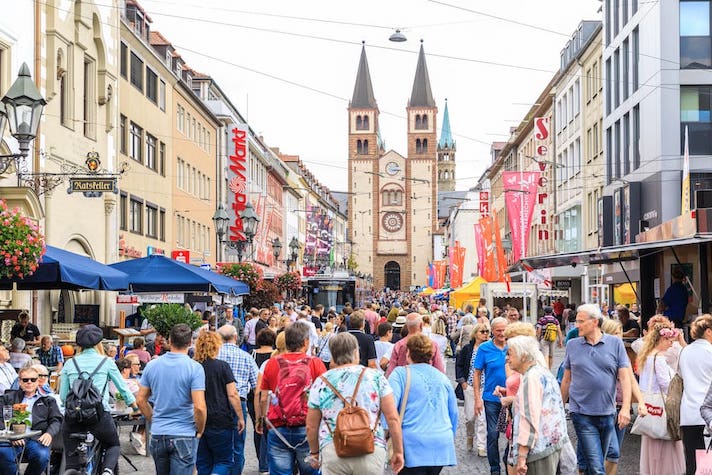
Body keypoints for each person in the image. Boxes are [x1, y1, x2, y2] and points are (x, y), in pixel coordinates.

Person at [305, 332, 404, 474]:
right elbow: (392, 418)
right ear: (356, 352)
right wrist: (398, 451)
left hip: (333, 448)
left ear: (333, 354)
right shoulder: (376, 377)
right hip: (371, 447)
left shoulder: (322, 381)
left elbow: (311, 425)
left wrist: (314, 453)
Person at [560, 304, 632, 475]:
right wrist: (559, 407)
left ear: (594, 322)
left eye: (580, 321)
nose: (576, 325)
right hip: (581, 412)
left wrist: (626, 408)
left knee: (595, 460)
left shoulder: (615, 343)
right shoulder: (572, 345)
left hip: (607, 412)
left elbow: (625, 377)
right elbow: (566, 380)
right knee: (597, 465)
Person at [59, 324, 140, 475]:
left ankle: (72, 469)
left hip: (74, 417)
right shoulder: (107, 362)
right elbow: (123, 388)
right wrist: (135, 407)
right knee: (113, 444)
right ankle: (107, 471)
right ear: (98, 343)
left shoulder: (70, 363)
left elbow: (63, 397)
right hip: (99, 415)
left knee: (71, 459)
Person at [136, 324, 207, 475]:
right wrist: (200, 429)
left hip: (159, 432)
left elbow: (141, 399)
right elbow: (199, 407)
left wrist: (153, 418)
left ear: (169, 340)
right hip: (184, 432)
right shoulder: (194, 368)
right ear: (190, 343)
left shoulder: (152, 365)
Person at [258, 322, 327, 475]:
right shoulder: (315, 363)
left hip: (279, 427)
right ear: (306, 342)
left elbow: (263, 398)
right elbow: (325, 396)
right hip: (308, 428)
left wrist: (262, 420)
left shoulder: (271, 363)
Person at [388, 334, 457, 474]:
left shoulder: (400, 374)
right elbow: (454, 413)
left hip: (411, 443)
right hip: (440, 442)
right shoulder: (442, 377)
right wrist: (450, 436)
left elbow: (390, 408)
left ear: (408, 353)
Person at [507, 336, 568, 475]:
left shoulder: (531, 377)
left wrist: (522, 455)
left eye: (510, 353)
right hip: (549, 445)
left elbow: (529, 417)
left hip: (537, 450)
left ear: (523, 355)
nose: (507, 358)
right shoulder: (542, 372)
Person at [635, 323, 685, 475]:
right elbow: (666, 385)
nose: (671, 343)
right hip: (661, 406)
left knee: (652, 442)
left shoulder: (647, 355)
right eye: (669, 340)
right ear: (661, 339)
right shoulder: (659, 358)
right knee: (664, 444)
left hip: (649, 404)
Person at [194, 331, 246, 475]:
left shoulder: (194, 366)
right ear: (216, 346)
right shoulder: (222, 366)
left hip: (199, 419)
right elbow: (233, 394)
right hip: (221, 418)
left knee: (203, 461)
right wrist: (240, 417)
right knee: (223, 461)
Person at [0, 366, 62, 475]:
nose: (29, 382)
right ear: (20, 382)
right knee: (3, 453)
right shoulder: (8, 398)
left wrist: (49, 434)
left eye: (33, 380)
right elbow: (1, 418)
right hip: (12, 440)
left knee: (41, 456)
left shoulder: (48, 400)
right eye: (25, 380)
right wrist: (11, 436)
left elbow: (56, 420)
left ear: (38, 381)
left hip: (36, 439)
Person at [217, 324, 259, 475]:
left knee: (218, 443)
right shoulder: (246, 357)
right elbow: (256, 386)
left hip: (216, 402)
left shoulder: (214, 355)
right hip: (239, 401)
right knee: (238, 445)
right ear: (236, 337)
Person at [473, 316, 508, 474]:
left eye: (504, 330)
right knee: (493, 434)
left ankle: (509, 460)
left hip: (513, 398)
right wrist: (477, 398)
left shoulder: (513, 346)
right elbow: (477, 373)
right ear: (492, 331)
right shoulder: (484, 348)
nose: (502, 333)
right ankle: (495, 468)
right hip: (491, 398)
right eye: (498, 330)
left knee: (514, 434)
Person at [678, 314, 712, 474]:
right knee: (708, 464)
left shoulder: (685, 352)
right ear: (708, 332)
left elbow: (682, 376)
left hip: (688, 413)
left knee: (692, 462)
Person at [456, 321, 489, 457]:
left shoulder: (489, 348)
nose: (486, 334)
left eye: (487, 331)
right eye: (483, 331)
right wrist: (463, 382)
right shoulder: (467, 349)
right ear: (475, 334)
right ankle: (470, 436)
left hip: (485, 387)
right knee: (470, 417)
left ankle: (482, 446)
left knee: (483, 419)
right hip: (469, 386)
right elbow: (459, 365)